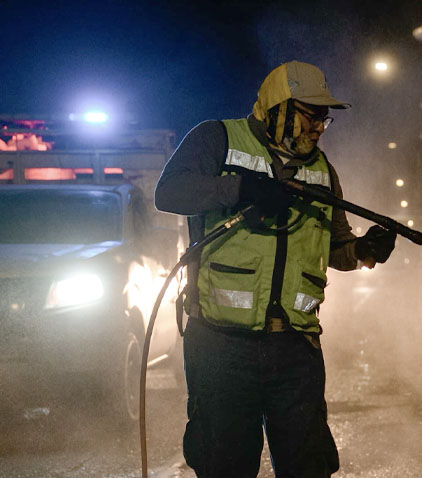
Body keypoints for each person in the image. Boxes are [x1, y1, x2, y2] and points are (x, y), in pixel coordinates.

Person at [154, 60, 396, 478]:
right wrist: (241, 188)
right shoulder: (217, 139)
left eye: (325, 117)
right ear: (279, 106)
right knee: (224, 464)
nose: (321, 126)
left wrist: (364, 250)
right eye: (311, 114)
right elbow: (170, 191)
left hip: (295, 351)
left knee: (309, 466)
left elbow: (336, 248)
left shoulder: (322, 172)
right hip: (221, 346)